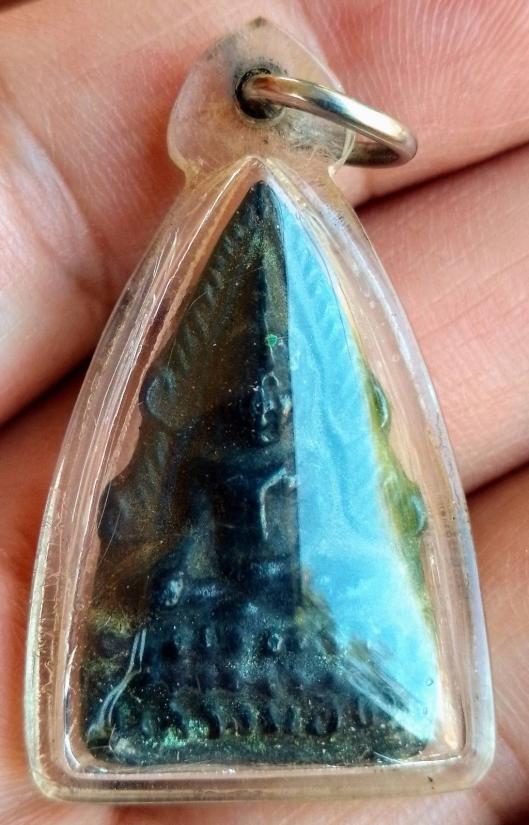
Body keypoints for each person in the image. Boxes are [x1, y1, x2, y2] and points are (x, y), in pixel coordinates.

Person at [0, 1, 528, 822]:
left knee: (349, 631)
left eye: (277, 401)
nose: (263, 413)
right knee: (171, 625)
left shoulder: (319, 461)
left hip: (305, 627)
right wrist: (177, 578)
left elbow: (351, 535)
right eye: (250, 401)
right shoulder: (211, 463)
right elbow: (178, 541)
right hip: (214, 624)